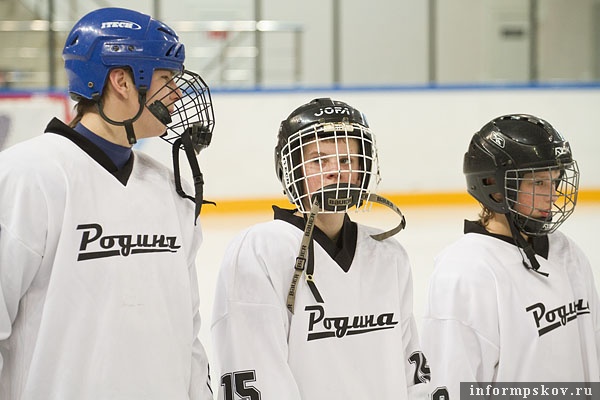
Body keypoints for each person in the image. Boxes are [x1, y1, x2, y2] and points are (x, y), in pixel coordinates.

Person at [0, 7, 215, 400]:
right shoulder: (27, 176)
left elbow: (188, 330)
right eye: (167, 78)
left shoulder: (172, 189)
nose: (179, 92)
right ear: (122, 81)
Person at [211, 97, 430, 399]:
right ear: (291, 170)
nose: (334, 172)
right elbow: (256, 369)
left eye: (345, 160)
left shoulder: (388, 254)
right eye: (319, 160)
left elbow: (409, 370)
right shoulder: (261, 251)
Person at [421, 114, 600, 399]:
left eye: (555, 181)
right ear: (493, 185)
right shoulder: (465, 271)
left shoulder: (568, 253)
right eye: (539, 183)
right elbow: (455, 383)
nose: (552, 195)